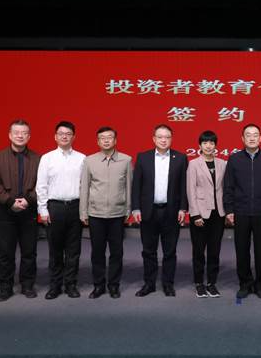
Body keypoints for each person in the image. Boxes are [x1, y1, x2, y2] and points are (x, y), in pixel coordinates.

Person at [223, 124, 261, 299]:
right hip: (240, 212)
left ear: (260, 138)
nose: (252, 138)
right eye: (248, 135)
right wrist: (229, 209)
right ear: (243, 138)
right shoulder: (234, 159)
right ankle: (245, 284)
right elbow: (228, 186)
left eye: (255, 135)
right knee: (241, 251)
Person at [0, 119, 40, 302]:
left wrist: (28, 200)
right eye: (16, 132)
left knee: (29, 252)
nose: (20, 136)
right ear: (10, 135)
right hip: (6, 212)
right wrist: (9, 202)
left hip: (29, 211)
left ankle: (27, 285)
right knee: (6, 253)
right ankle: (5, 288)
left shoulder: (38, 158)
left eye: (24, 133)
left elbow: (42, 184)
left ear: (29, 136)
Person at [132, 124, 188, 297]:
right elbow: (136, 185)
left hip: (171, 211)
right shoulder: (143, 157)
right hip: (149, 211)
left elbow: (183, 186)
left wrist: (183, 208)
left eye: (167, 137)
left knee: (170, 251)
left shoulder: (180, 158)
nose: (164, 140)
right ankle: (149, 284)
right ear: (154, 139)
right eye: (160, 137)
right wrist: (135, 208)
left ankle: (168, 284)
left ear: (171, 139)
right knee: (148, 250)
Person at [79, 126, 132, 299]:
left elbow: (129, 187)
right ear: (98, 141)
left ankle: (114, 285)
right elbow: (84, 188)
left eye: (110, 137)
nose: (106, 140)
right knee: (97, 252)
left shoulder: (126, 160)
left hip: (117, 214)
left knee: (117, 252)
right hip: (96, 214)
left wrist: (128, 210)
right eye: (103, 138)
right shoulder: (89, 161)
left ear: (115, 140)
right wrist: (83, 212)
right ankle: (99, 286)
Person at [36, 121, 85, 299]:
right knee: (55, 250)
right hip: (54, 207)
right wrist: (43, 210)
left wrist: (84, 210)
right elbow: (41, 185)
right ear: (55, 137)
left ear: (74, 137)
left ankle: (71, 284)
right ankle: (55, 285)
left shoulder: (82, 158)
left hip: (75, 207)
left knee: (74, 250)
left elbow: (85, 186)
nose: (65, 136)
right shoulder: (47, 158)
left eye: (68, 133)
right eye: (61, 133)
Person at [186, 131, 226, 298]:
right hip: (201, 213)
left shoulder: (222, 163)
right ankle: (199, 283)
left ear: (215, 145)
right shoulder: (193, 164)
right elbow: (190, 190)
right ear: (200, 145)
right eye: (205, 143)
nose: (208, 146)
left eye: (211, 143)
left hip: (218, 213)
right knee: (199, 251)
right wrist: (195, 214)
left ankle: (211, 283)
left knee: (214, 251)